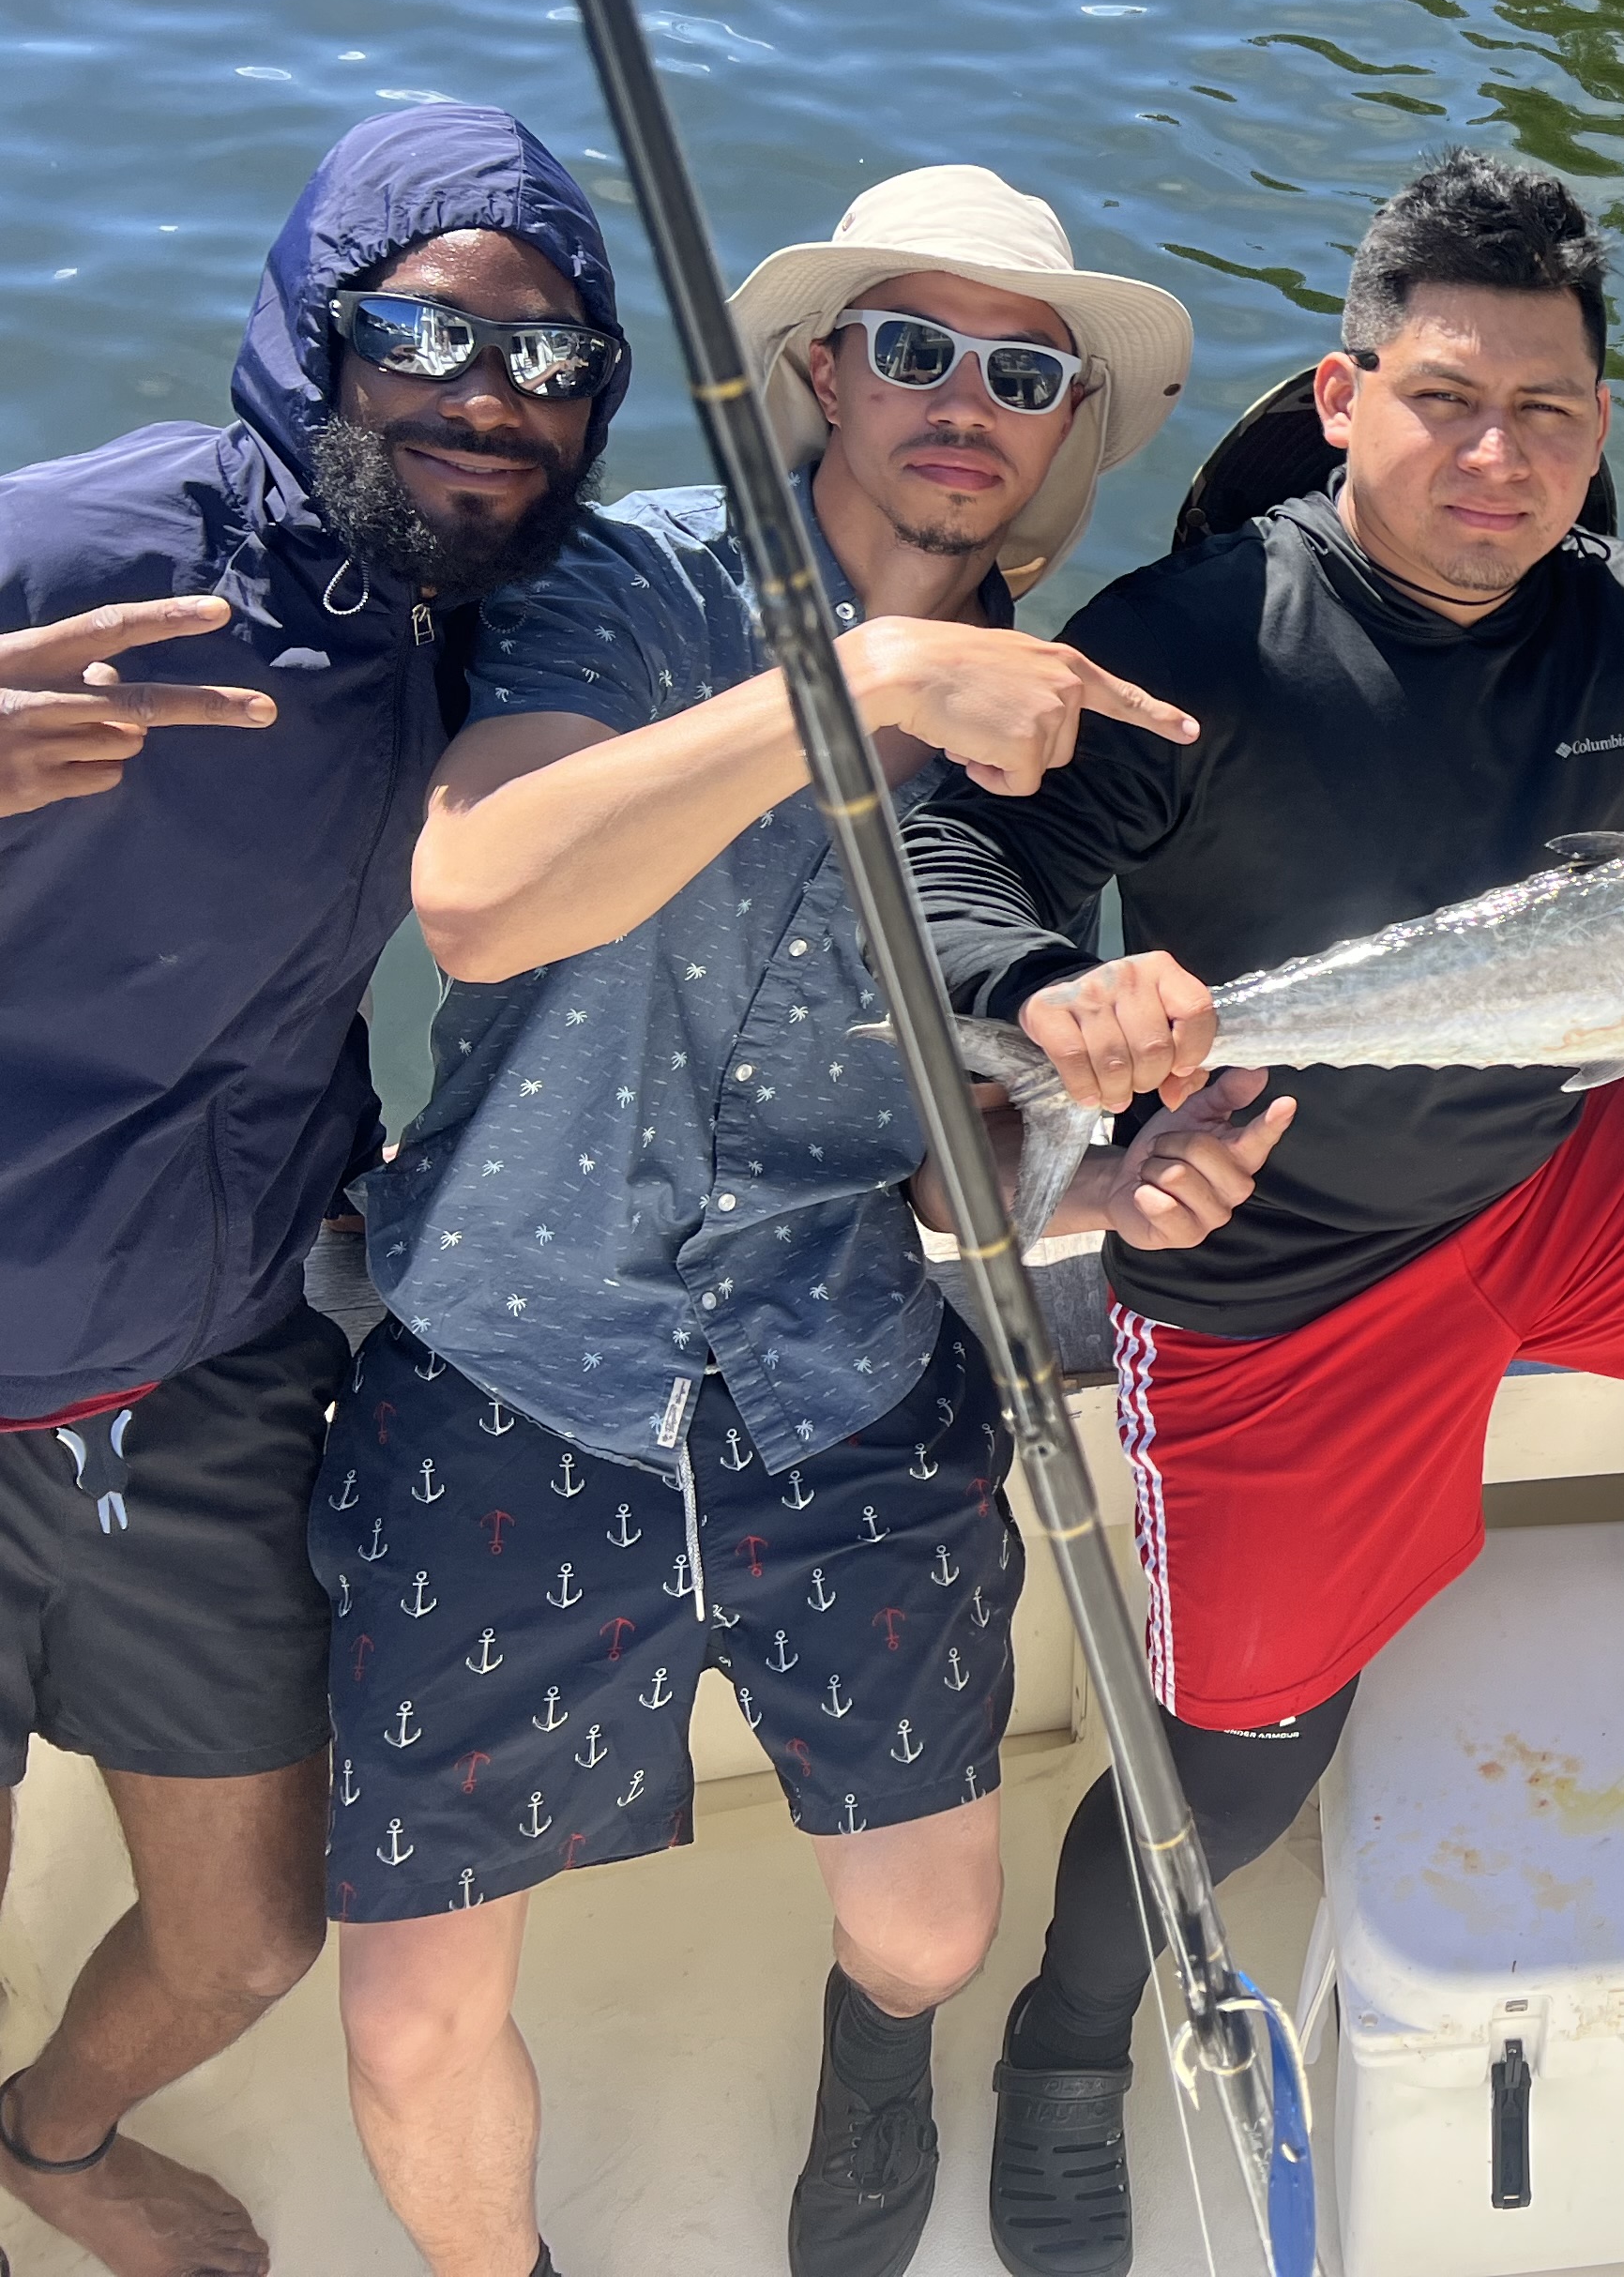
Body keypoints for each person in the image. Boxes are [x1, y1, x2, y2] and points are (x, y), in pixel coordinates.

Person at [902, 148, 1624, 2277]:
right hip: (1275, 1270)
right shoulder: (1188, 643)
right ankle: (1073, 2040)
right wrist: (1047, 999)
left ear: (1602, 430)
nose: (1498, 453)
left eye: (1548, 413)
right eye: (1447, 397)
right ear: (1346, 394)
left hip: (1543, 1174)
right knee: (1253, 1770)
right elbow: (953, 874)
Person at [325, 169, 1229, 2277]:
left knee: (931, 1925)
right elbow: (480, 892)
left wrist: (1072, 1182)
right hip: (509, 1356)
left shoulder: (1048, 733)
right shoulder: (635, 590)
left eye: (1024, 374)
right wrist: (867, 687)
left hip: (840, 1351)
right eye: (913, 347)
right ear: (822, 370)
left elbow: (947, 1134)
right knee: (405, 2024)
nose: (963, 402)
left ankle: (883, 2064)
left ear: (1061, 430)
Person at [0, 106, 625, 2277]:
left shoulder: (491, 640)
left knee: (251, 1942)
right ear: (307, 331)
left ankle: (52, 2146)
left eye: (551, 362)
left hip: (203, 1380)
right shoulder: (87, 557)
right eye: (427, 336)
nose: (488, 400)